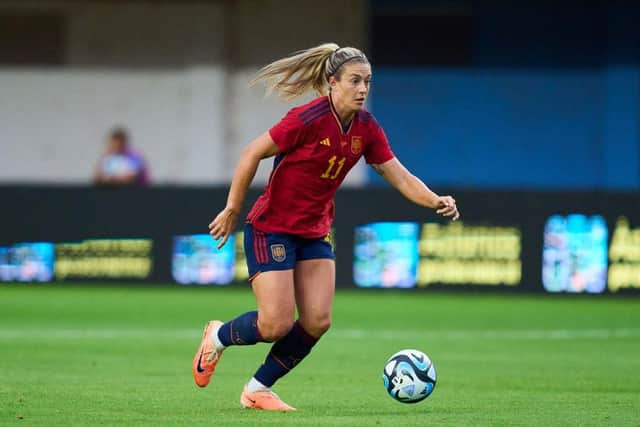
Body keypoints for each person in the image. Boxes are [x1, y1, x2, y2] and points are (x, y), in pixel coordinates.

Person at [192, 43, 460, 411]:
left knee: (317, 320)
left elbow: (397, 174)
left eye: (367, 81)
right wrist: (232, 208)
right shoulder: (305, 119)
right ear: (332, 82)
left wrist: (434, 199)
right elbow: (252, 152)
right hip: (272, 228)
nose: (363, 89)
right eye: (354, 81)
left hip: (314, 230)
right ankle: (218, 336)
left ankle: (257, 389)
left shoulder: (367, 128)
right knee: (275, 325)